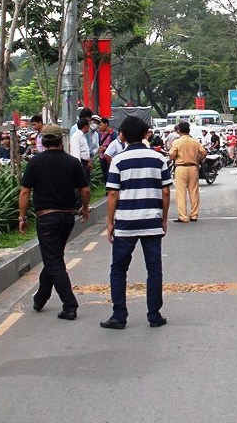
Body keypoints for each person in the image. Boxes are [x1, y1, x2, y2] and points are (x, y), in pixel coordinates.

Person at [101, 116, 172, 330]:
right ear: (145, 134)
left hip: (126, 222)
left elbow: (113, 193)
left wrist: (110, 222)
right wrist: (164, 218)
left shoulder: (118, 161)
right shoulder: (158, 159)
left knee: (119, 269)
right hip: (152, 221)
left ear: (122, 135)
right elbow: (166, 190)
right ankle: (154, 315)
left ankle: (119, 316)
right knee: (154, 269)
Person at [18, 124, 90, 320]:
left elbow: (25, 191)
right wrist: (84, 208)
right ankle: (40, 298)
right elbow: (85, 190)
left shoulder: (35, 162)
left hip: (46, 217)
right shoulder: (73, 162)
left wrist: (22, 217)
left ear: (43, 140)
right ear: (61, 140)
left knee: (54, 260)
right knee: (54, 257)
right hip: (67, 218)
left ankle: (69, 305)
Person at [169, 121, 207, 223]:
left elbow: (171, 155)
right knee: (194, 192)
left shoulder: (177, 142)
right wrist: (198, 160)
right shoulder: (194, 141)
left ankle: (183, 216)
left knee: (181, 193)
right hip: (193, 167)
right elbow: (204, 152)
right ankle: (194, 215)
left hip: (181, 168)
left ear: (179, 131)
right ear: (189, 130)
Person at [68, 118, 92, 182]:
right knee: (82, 184)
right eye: (88, 126)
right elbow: (76, 153)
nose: (89, 128)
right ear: (85, 126)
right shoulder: (76, 136)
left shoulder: (83, 136)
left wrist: (89, 160)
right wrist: (79, 167)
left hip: (85, 163)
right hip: (81, 164)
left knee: (86, 182)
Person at [97, 117, 117, 184]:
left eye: (101, 125)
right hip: (102, 155)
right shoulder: (99, 133)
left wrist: (107, 148)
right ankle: (106, 187)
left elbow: (115, 144)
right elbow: (99, 142)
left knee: (110, 171)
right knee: (104, 172)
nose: (100, 127)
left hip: (109, 156)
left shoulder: (113, 133)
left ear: (106, 124)